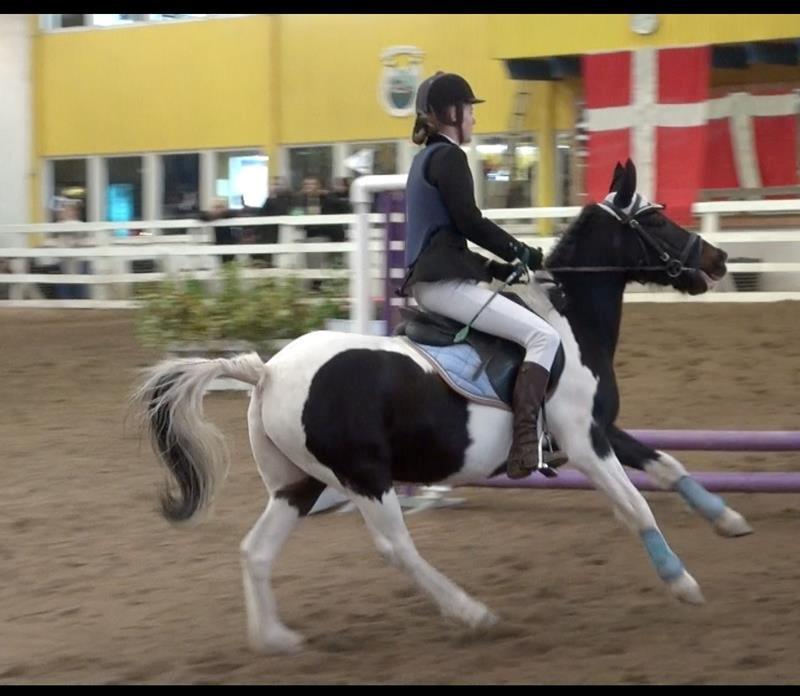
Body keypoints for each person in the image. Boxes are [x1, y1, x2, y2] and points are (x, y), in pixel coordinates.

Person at [401, 71, 566, 479]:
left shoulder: (423, 160)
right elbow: (470, 222)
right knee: (544, 336)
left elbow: (446, 236)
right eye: (469, 111)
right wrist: (519, 251)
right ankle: (528, 443)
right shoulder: (450, 157)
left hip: (434, 280)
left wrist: (494, 267)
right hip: (445, 286)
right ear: (451, 113)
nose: (474, 119)